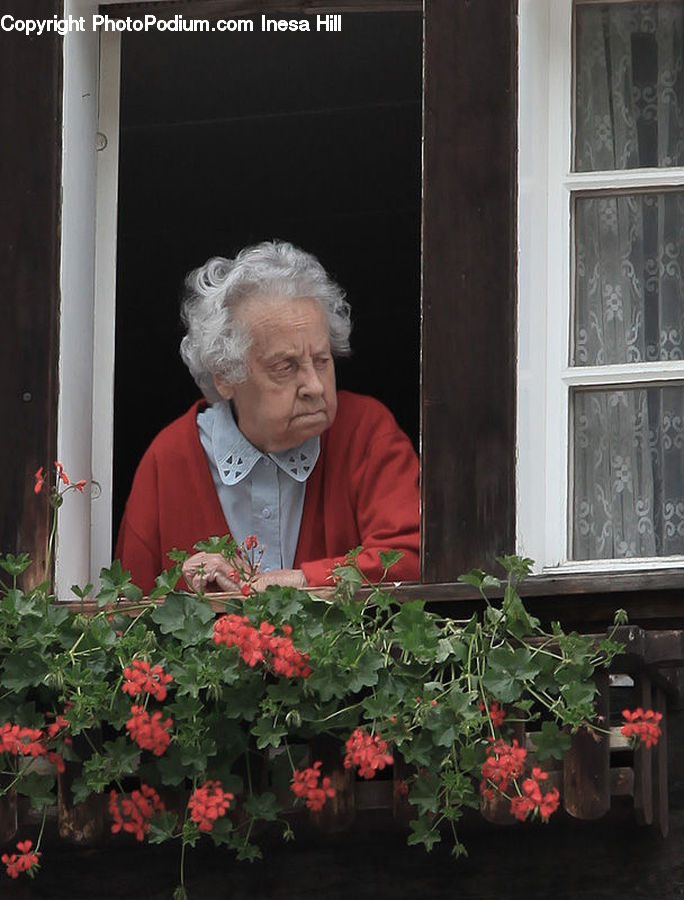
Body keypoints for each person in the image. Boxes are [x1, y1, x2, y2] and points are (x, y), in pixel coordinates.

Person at [115, 240, 419, 595]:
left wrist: (290, 583)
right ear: (225, 376)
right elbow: (127, 607)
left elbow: (414, 557)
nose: (315, 386)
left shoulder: (365, 431)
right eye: (285, 367)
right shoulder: (169, 461)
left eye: (322, 360)